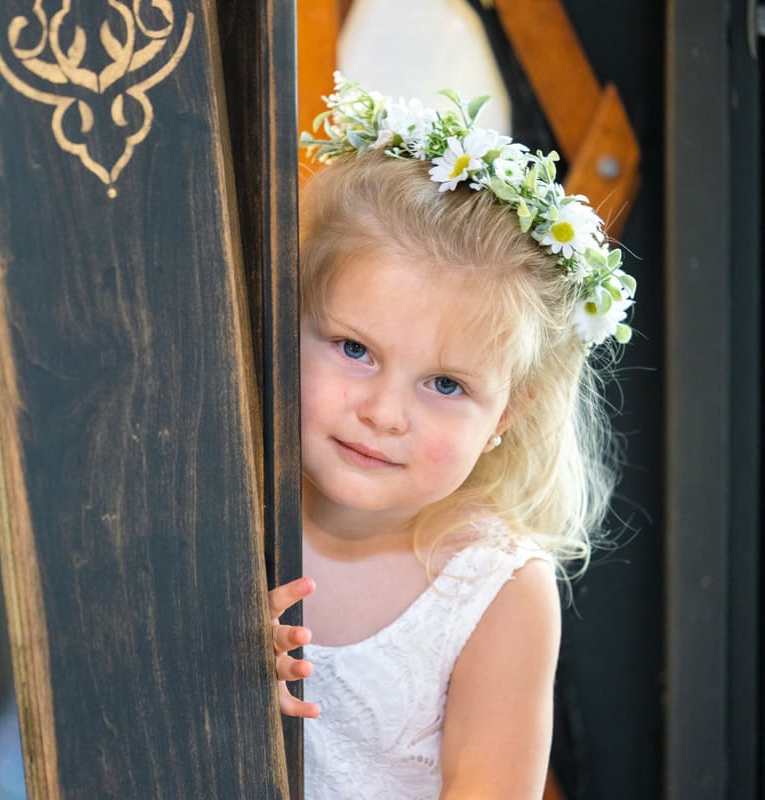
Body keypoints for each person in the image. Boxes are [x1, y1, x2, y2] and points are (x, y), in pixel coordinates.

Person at [269, 74, 635, 799]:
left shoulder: (495, 589)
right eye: (353, 348)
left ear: (505, 417)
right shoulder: (223, 495)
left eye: (445, 385)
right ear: (288, 319)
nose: (383, 412)